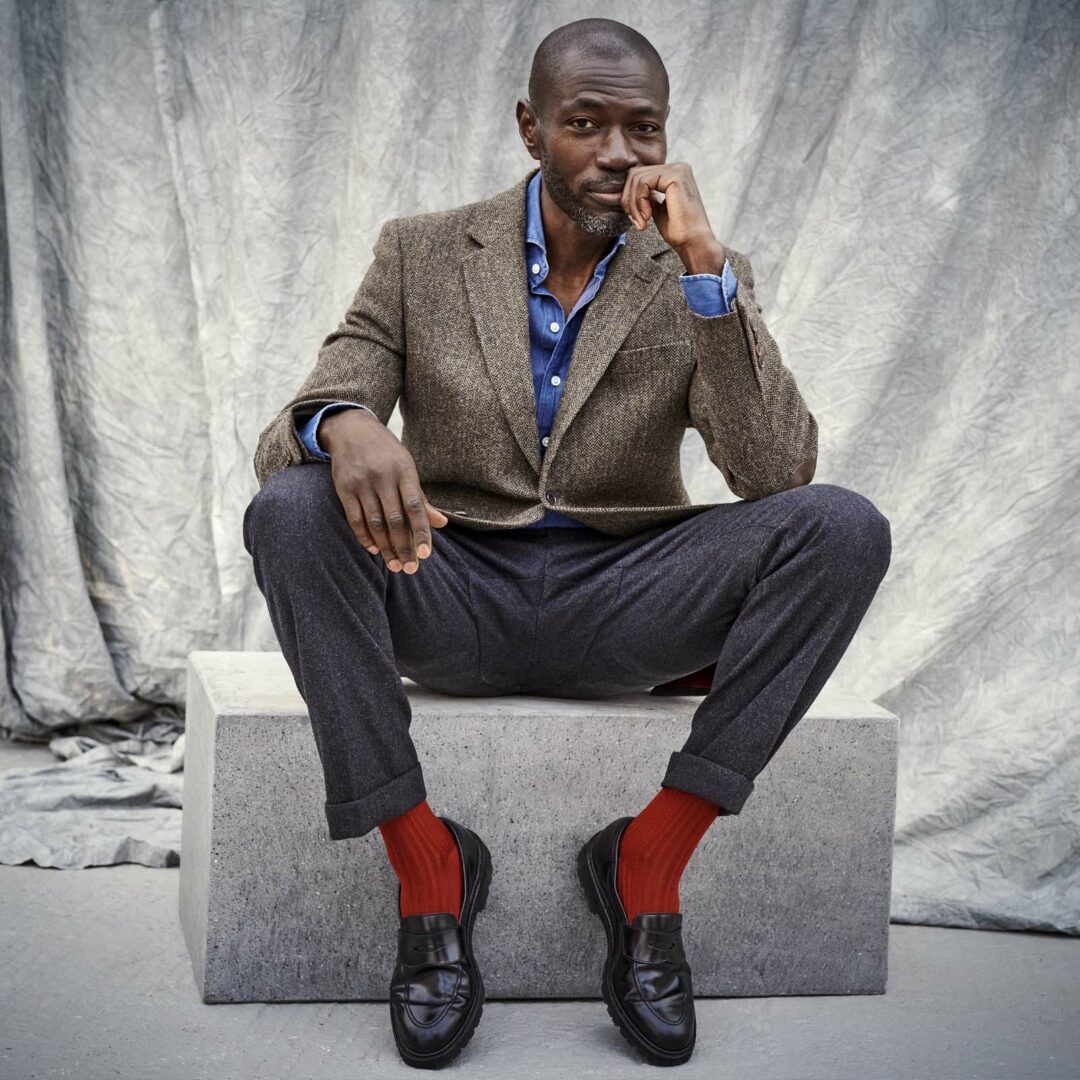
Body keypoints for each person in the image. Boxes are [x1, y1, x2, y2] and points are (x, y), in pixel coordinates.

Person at [242, 16, 890, 1070]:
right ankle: (430, 877)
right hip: (451, 582)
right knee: (291, 507)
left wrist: (706, 272)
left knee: (843, 526)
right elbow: (292, 429)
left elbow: (776, 473)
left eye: (643, 127)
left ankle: (647, 866)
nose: (619, 151)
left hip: (626, 596)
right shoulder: (422, 248)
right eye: (586, 123)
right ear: (531, 126)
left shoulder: (698, 275)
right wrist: (341, 423)